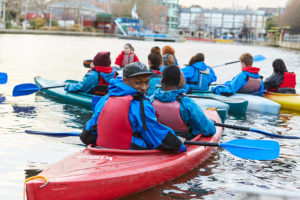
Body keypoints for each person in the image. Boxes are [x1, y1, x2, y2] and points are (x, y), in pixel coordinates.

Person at [79, 62, 186, 152]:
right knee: (180, 133)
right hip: (131, 152)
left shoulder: (106, 98)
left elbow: (86, 136)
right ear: (125, 81)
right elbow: (155, 134)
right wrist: (179, 145)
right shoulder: (141, 104)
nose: (144, 87)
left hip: (102, 149)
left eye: (146, 82)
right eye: (138, 82)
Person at [151, 65, 216, 139]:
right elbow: (208, 130)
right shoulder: (186, 103)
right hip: (182, 142)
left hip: (157, 140)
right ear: (179, 82)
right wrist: (211, 124)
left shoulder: (151, 100)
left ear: (162, 80)